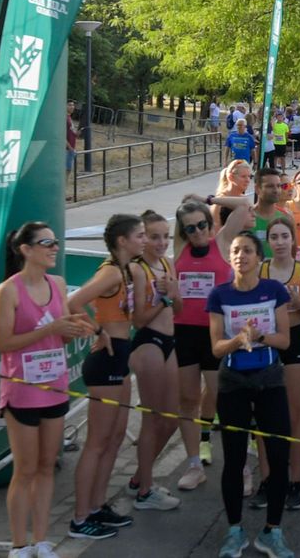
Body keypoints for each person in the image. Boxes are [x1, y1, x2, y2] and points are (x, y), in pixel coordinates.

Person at [0, 223, 96, 558]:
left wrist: (76, 329)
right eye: (47, 242)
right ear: (26, 249)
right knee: (24, 470)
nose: (55, 248)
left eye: (56, 242)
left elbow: (61, 334)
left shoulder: (59, 284)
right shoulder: (9, 291)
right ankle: (18, 544)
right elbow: (4, 343)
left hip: (55, 386)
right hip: (22, 390)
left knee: (46, 464)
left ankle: (41, 539)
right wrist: (51, 328)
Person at [206, 230, 296, 558]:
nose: (240, 256)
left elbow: (285, 340)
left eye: (247, 250)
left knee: (278, 456)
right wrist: (237, 341)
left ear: (259, 258)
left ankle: (273, 530)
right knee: (234, 459)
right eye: (235, 251)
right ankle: (234, 530)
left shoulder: (273, 290)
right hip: (233, 383)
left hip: (270, 380)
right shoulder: (219, 294)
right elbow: (216, 348)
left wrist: (261, 336)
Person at [66, 214, 146, 540]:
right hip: (105, 362)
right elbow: (73, 301)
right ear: (123, 240)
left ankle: (97, 507)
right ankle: (80, 518)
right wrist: (96, 329)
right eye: (139, 235)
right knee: (97, 443)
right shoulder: (111, 271)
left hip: (120, 360)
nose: (143, 240)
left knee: (115, 438)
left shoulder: (127, 270)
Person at [173, 193, 253, 491]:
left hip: (217, 332)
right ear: (182, 232)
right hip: (184, 332)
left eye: (202, 224)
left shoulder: (221, 242)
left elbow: (244, 205)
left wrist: (211, 198)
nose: (197, 232)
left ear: (210, 221)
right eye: (190, 228)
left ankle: (242, 466)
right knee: (189, 400)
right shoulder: (180, 247)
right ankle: (194, 465)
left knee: (228, 400)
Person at [254, 214, 300, 511]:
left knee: (293, 415)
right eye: (274, 237)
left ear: (293, 240)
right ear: (267, 242)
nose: (280, 242)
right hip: (266, 342)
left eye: (285, 237)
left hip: (295, 339)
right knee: (263, 416)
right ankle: (268, 480)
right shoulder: (260, 270)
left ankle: (294, 482)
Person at [127, 211, 185, 512]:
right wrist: (163, 298)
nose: (162, 242)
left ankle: (139, 477)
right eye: (154, 236)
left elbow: (179, 308)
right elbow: (138, 319)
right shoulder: (138, 270)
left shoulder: (167, 263)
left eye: (165, 235)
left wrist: (172, 294)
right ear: (142, 238)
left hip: (169, 340)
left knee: (172, 418)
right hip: (148, 342)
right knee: (151, 419)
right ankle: (145, 490)